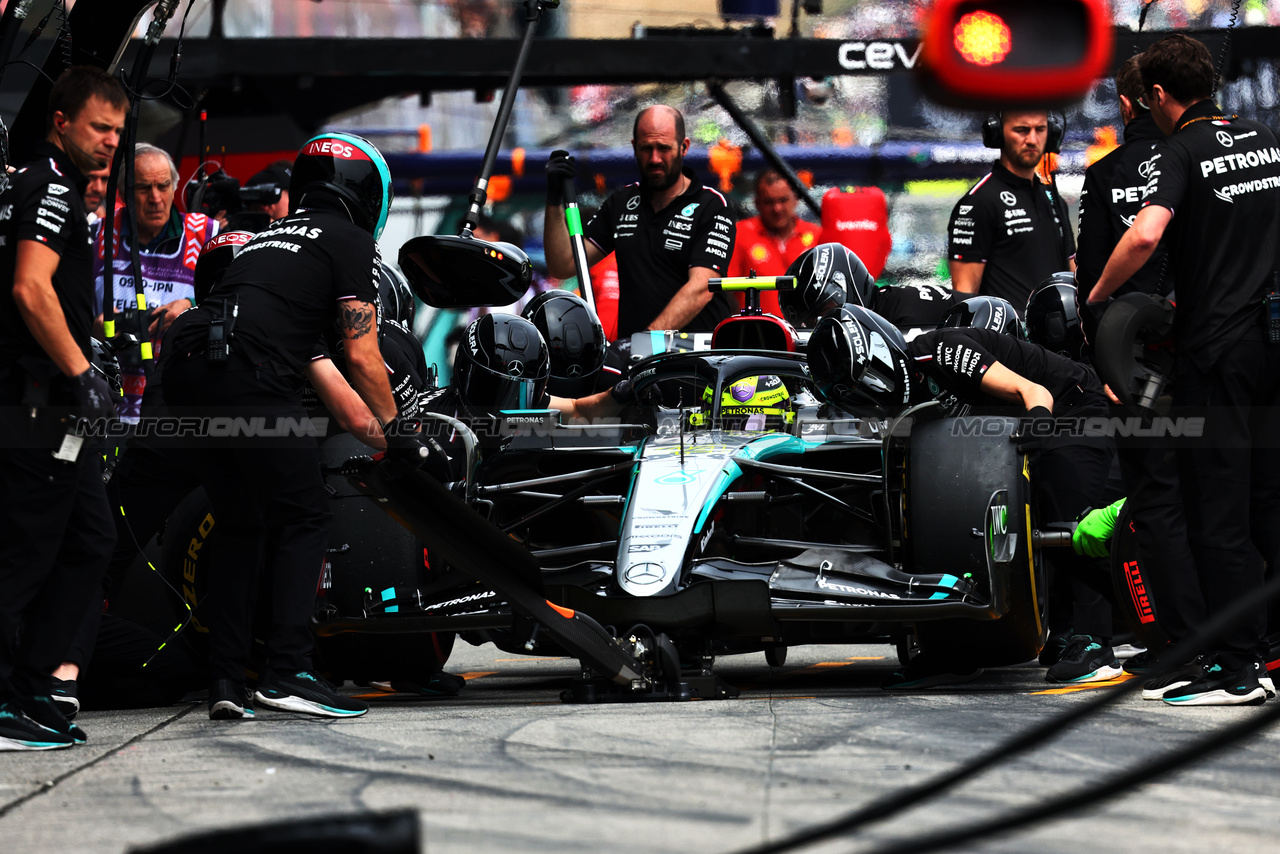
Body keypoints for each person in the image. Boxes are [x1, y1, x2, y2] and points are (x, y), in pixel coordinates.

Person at [163, 131, 434, 721]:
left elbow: (330, 388)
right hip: (246, 373)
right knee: (305, 514)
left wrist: (382, 436)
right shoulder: (348, 242)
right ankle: (288, 671)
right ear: (366, 196)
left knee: (242, 523)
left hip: (187, 366)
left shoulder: (269, 243)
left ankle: (228, 681)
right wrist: (406, 437)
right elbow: (361, 357)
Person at [1087, 34, 1280, 706]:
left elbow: (1143, 234)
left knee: (1216, 515)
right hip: (1269, 346)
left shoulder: (1182, 148)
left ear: (1160, 96)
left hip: (1218, 351)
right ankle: (1266, 650)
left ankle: (1236, 669)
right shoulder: (1264, 139)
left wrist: (1100, 296)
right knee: (1267, 507)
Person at [808, 305, 1115, 688]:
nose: (869, 397)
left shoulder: (940, 351)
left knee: (1065, 517)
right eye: (856, 395)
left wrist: (1038, 424)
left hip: (1070, 405)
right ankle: (956, 649)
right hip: (1012, 429)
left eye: (867, 383)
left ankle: (1094, 642)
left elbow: (1032, 392)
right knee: (933, 523)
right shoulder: (900, 404)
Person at [0, 66, 127, 750]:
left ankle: (32, 687)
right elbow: (29, 289)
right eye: (99, 127)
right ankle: (8, 697)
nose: (111, 141)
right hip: (39, 403)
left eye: (118, 131)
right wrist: (82, 374)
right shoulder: (48, 186)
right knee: (23, 553)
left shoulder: (49, 187)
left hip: (55, 406)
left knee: (88, 539)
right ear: (62, 121)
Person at [542, 105, 737, 339]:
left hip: (695, 356)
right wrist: (554, 201)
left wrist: (646, 341)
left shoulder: (712, 205)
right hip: (637, 359)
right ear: (634, 147)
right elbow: (563, 265)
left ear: (684, 147)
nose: (655, 158)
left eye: (664, 148)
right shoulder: (622, 202)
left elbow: (701, 288)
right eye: (646, 148)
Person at [94, 142, 219, 420]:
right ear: (125, 192)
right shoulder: (97, 235)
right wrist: (93, 330)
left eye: (163, 186)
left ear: (174, 186)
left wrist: (192, 306)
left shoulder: (206, 233)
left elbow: (234, 300)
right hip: (106, 405)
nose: (155, 198)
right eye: (143, 188)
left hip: (178, 406)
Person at [947, 110, 1076, 312]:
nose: (1032, 140)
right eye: (1022, 130)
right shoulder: (978, 203)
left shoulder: (1055, 199)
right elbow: (966, 299)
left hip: (1057, 336)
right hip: (1008, 340)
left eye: (1040, 130)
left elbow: (1072, 276)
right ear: (998, 134)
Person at [726, 170, 822, 317]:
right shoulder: (739, 234)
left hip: (807, 333)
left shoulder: (817, 236)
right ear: (757, 203)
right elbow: (725, 292)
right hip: (756, 332)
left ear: (795, 199)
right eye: (769, 202)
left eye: (783, 200)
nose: (777, 208)